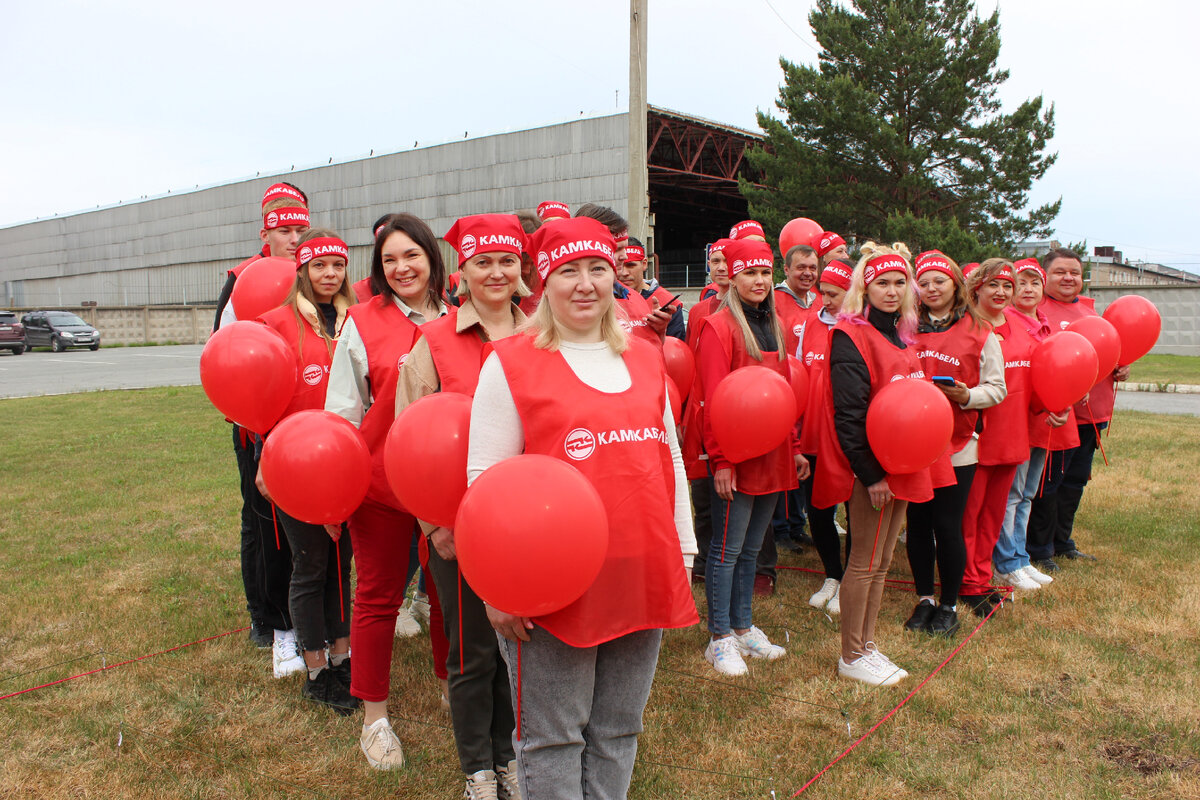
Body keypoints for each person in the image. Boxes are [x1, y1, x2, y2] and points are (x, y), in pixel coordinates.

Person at [470, 216, 697, 800]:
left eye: (596, 268)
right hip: (553, 588)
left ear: (614, 275)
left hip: (642, 571)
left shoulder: (647, 357)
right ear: (541, 281)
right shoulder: (510, 361)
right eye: (567, 270)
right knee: (551, 739)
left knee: (619, 729)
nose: (584, 284)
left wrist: (685, 550)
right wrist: (495, 589)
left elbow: (668, 457)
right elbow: (484, 482)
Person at [396, 213, 527, 800]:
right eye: (483, 262)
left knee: (521, 651)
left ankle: (513, 754)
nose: (495, 273)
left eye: (506, 260)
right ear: (464, 272)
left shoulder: (543, 333)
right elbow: (411, 440)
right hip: (459, 526)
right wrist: (435, 523)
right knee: (474, 651)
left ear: (521, 267)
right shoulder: (433, 342)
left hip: (533, 523)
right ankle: (479, 766)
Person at [325, 213, 448, 770]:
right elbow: (341, 416)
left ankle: (455, 685)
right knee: (377, 597)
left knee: (448, 595)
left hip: (447, 487)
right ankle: (374, 719)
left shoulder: (459, 315)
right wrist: (335, 491)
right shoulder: (361, 322)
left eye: (412, 256)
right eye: (390, 259)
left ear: (431, 258)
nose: (402, 268)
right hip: (380, 485)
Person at [813, 242, 932, 686]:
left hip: (904, 465)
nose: (892, 290)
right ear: (865, 287)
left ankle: (867, 645)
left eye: (900, 282)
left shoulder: (901, 334)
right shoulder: (850, 336)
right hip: (873, 471)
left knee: (882, 562)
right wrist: (872, 475)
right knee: (863, 561)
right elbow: (850, 416)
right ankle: (850, 655)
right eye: (882, 282)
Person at [255, 229, 357, 713]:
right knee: (312, 562)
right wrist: (265, 458)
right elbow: (258, 394)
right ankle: (315, 668)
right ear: (303, 270)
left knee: (343, 564)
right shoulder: (277, 323)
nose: (329, 275)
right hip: (296, 462)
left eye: (337, 265)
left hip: (349, 461)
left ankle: (343, 659)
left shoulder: (356, 320)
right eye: (319, 266)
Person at [695, 238, 808, 675]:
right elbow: (710, 397)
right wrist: (720, 460)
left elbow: (784, 394)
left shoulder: (775, 325)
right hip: (736, 456)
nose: (759, 281)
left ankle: (743, 627)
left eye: (765, 273)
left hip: (772, 453)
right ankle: (719, 636)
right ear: (732, 278)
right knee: (726, 549)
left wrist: (794, 448)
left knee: (750, 551)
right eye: (749, 273)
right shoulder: (718, 327)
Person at [217, 184, 310, 659]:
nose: (294, 238)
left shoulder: (316, 274)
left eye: (301, 229)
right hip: (255, 422)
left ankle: (307, 609)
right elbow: (223, 350)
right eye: (284, 230)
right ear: (265, 232)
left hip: (305, 420)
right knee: (259, 519)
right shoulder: (243, 278)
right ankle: (264, 615)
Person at [904, 250, 1005, 631]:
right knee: (917, 523)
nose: (931, 288)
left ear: (955, 285)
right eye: (924, 282)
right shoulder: (905, 327)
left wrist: (967, 397)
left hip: (959, 444)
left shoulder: (980, 331)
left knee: (947, 525)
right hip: (912, 442)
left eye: (939, 281)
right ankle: (924, 599)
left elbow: (997, 389)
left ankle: (948, 606)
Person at [1027, 248, 1129, 567]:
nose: (1068, 278)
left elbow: (1108, 355)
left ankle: (1062, 540)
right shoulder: (1035, 312)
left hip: (1091, 416)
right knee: (1048, 483)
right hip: (1055, 418)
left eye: (1074, 272)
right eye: (1060, 272)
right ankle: (1038, 548)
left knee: (1075, 481)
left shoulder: (1092, 313)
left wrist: (1120, 368)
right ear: (1045, 276)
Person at [958, 259, 1037, 605]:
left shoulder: (1021, 328)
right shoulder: (965, 327)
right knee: (969, 516)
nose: (1002, 292)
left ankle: (982, 576)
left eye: (1008, 285)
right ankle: (966, 582)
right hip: (975, 438)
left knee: (993, 516)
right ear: (977, 287)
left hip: (1013, 436)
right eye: (994, 285)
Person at [993, 259, 1067, 588]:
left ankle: (1020, 557)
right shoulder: (1003, 322)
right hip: (1013, 421)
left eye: (1034, 283)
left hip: (1040, 423)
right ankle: (1005, 561)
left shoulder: (1046, 325)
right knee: (1010, 494)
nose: (1027, 288)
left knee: (1026, 494)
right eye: (1020, 282)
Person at [799, 261, 854, 614]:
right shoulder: (810, 322)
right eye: (824, 292)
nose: (826, 299)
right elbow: (798, 372)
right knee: (818, 510)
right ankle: (832, 574)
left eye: (834, 294)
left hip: (848, 437)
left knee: (854, 511)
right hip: (813, 435)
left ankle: (852, 579)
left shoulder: (859, 326)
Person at [682, 239, 734, 584]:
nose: (720, 267)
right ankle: (702, 561)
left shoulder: (748, 309)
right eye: (714, 260)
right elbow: (688, 361)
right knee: (702, 490)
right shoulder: (700, 310)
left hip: (738, 410)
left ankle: (756, 564)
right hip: (701, 409)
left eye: (726, 261)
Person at [618, 237, 685, 341]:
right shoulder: (604, 301)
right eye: (619, 266)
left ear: (644, 264)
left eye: (630, 265)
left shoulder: (668, 302)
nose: (624, 273)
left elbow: (676, 348)